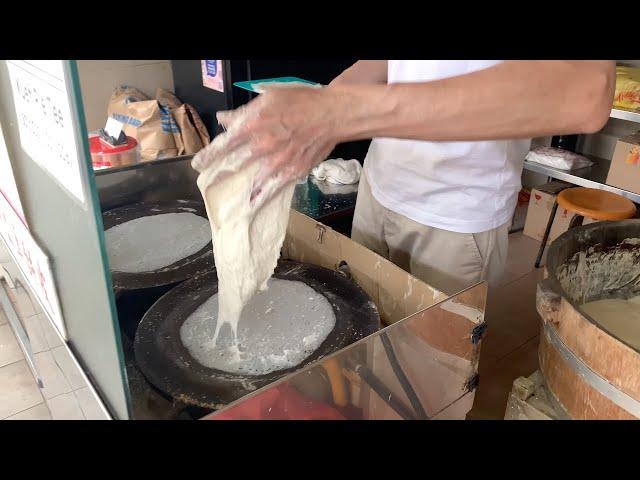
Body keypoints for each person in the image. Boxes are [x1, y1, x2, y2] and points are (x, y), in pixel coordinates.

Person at [194, 60, 615, 294]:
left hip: (456, 214)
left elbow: (586, 90)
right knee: (364, 346)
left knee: (431, 378)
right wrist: (321, 104)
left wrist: (340, 115)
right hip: (381, 190)